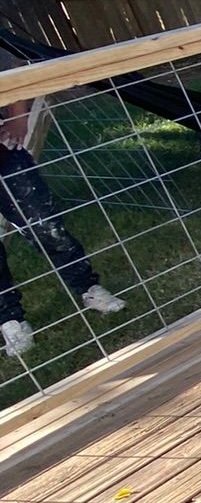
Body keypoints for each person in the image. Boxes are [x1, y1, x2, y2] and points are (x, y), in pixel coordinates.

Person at [0, 56, 123, 359]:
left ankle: (89, 289)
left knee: (45, 225)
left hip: (3, 154)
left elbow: (11, 69)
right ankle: (10, 322)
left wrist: (18, 116)